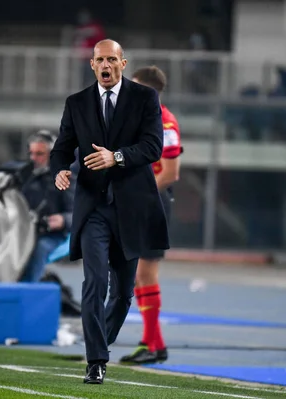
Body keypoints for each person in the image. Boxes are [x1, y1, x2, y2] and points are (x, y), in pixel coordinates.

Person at [50, 39, 169, 385]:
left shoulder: (145, 98)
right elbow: (62, 148)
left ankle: (100, 340)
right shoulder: (76, 103)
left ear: (122, 63)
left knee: (122, 293)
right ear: (92, 65)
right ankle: (96, 360)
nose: (105, 65)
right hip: (93, 207)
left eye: (111, 60)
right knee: (95, 282)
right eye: (99, 59)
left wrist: (115, 156)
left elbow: (153, 146)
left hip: (132, 208)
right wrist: (59, 169)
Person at [119, 66, 182, 365]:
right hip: (144, 201)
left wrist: (140, 195)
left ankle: (155, 345)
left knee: (144, 274)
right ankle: (151, 342)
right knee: (139, 276)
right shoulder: (145, 119)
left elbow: (171, 173)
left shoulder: (166, 124)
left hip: (153, 202)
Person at [18, 130, 74, 283]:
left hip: (53, 234)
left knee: (38, 248)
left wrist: (63, 220)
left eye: (39, 154)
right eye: (31, 153)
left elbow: (78, 213)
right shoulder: (25, 176)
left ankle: (29, 288)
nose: (33, 158)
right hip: (25, 230)